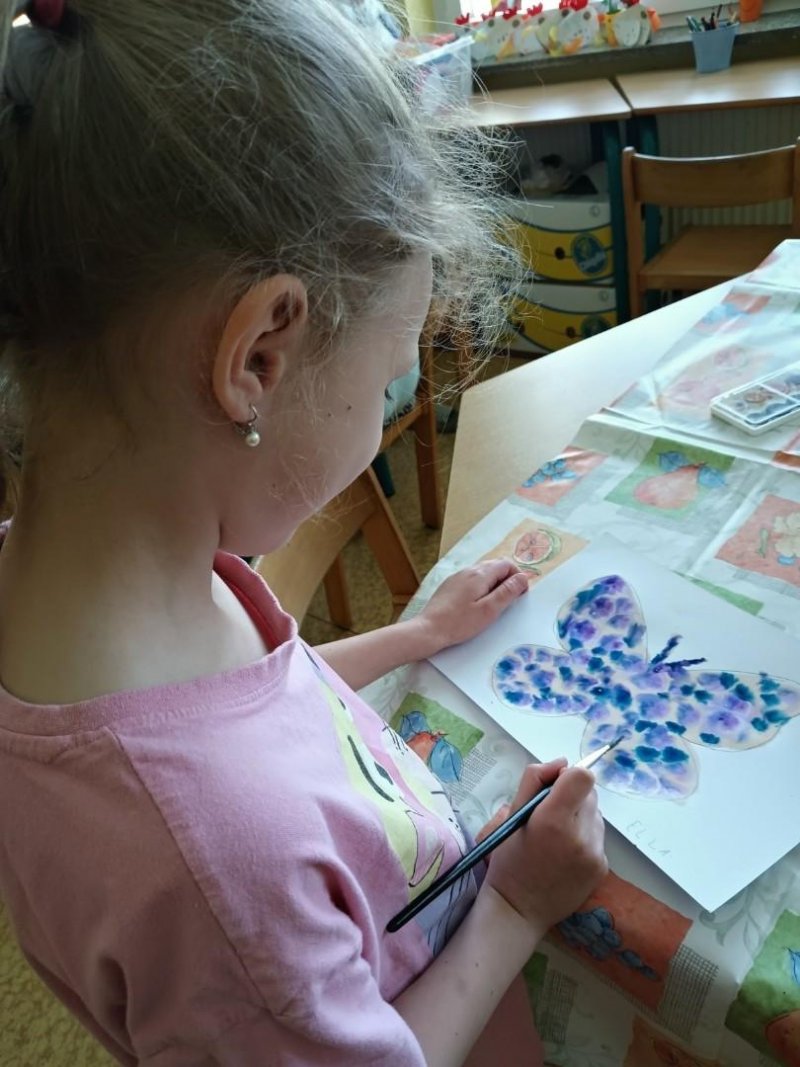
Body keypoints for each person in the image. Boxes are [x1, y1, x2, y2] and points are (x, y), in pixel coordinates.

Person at [0, 1, 607, 1065]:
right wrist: (517, 902)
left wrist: (415, 636)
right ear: (257, 359)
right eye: (388, 378)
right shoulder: (224, 869)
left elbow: (256, 706)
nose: (383, 414)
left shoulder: (84, 578)